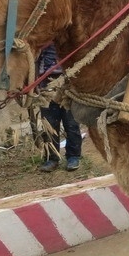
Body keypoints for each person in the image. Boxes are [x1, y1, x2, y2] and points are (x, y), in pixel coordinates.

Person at [36, 43, 83, 172]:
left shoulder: (68, 40)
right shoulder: (41, 42)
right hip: (46, 86)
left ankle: (73, 156)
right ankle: (52, 159)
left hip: (67, 87)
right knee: (49, 126)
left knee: (71, 124)